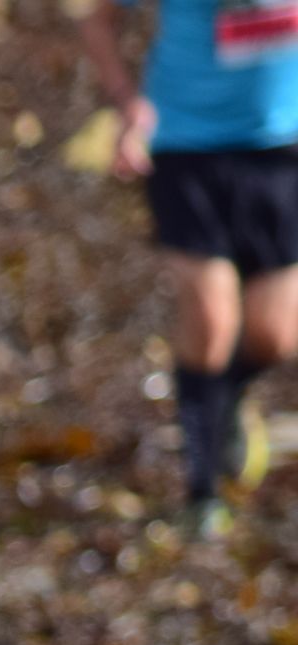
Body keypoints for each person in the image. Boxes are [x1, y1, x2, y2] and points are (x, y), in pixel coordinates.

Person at [85, 0, 298, 536]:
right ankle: (202, 493)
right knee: (210, 323)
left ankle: (228, 403)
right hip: (186, 149)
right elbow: (99, 18)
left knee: (276, 336)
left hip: (281, 151)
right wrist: (127, 103)